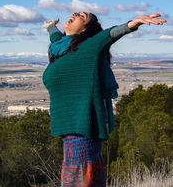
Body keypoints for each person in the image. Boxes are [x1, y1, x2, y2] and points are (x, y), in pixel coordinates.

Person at [42, 13, 166, 187]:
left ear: (86, 29)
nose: (75, 14)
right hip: (69, 133)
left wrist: (134, 23)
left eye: (82, 16)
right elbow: (56, 38)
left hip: (85, 130)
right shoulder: (60, 48)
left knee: (81, 181)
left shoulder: (90, 46)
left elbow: (111, 34)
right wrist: (50, 26)